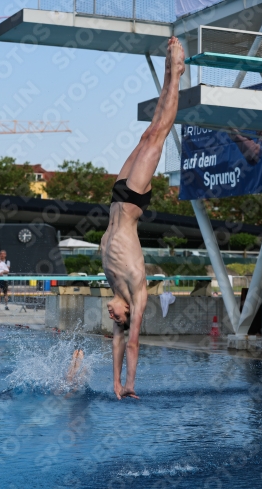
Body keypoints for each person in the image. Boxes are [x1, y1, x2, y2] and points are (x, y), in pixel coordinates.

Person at [101, 37, 185, 400]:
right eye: (114, 316)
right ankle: (175, 72)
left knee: (145, 132)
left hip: (118, 197)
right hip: (133, 201)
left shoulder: (116, 291)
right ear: (126, 314)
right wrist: (132, 384)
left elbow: (117, 346)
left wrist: (115, 385)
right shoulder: (136, 294)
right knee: (158, 132)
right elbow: (132, 344)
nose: (108, 312)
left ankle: (172, 71)